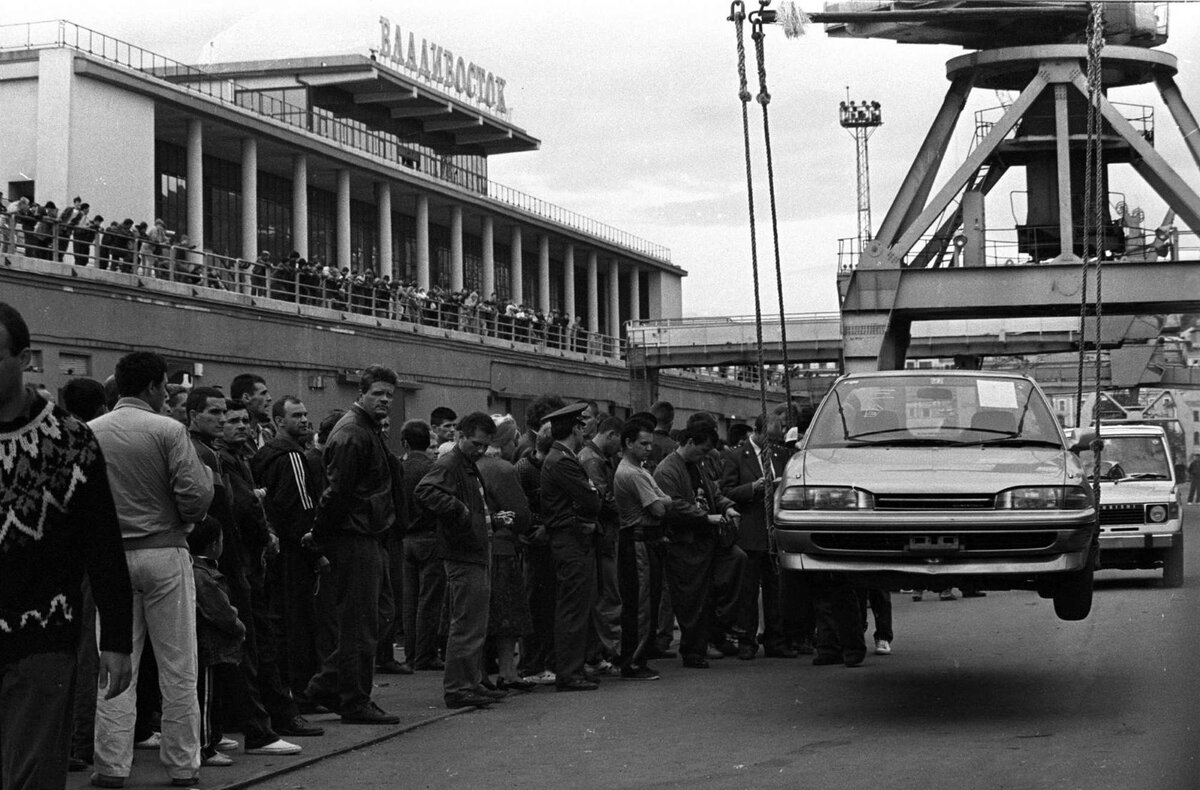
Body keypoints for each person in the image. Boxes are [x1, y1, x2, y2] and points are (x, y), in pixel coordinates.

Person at [0, 303, 133, 790]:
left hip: (41, 638)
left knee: (31, 776)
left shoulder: (70, 441)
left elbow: (103, 543)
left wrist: (116, 639)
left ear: (24, 358)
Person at [90, 351, 214, 787]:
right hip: (164, 551)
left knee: (114, 662)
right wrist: (188, 515)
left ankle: (110, 765)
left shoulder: (90, 432)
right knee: (178, 665)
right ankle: (183, 765)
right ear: (152, 387)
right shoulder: (168, 430)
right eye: (165, 386)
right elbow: (195, 496)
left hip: (110, 559)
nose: (166, 394)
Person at [303, 366, 402, 724]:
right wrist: (320, 535)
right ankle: (353, 699)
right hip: (355, 537)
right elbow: (336, 492)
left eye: (389, 395)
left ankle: (328, 687)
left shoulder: (364, 430)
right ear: (361, 393)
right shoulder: (353, 433)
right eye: (378, 393)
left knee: (373, 618)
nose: (385, 400)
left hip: (367, 535)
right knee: (361, 623)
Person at [415, 411, 502, 709]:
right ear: (459, 436)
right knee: (467, 623)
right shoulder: (451, 463)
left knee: (474, 623)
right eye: (476, 443)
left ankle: (471, 683)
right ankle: (458, 687)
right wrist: (460, 511)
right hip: (463, 552)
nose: (481, 450)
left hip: (473, 549)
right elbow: (425, 491)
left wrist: (488, 519)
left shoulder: (465, 463)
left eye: (485, 446)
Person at [653, 423, 745, 669]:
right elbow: (673, 506)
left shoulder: (697, 465)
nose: (705, 456)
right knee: (691, 599)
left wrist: (727, 507)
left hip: (706, 540)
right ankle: (693, 649)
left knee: (736, 560)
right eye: (703, 450)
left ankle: (713, 634)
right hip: (685, 543)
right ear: (690, 442)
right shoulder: (667, 470)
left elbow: (713, 492)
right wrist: (706, 517)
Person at [720, 413, 795, 660]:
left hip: (774, 532)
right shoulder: (736, 456)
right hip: (750, 531)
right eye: (769, 439)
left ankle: (776, 640)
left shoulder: (781, 455)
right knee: (748, 591)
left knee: (776, 590)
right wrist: (753, 488)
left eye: (775, 440)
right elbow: (726, 491)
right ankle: (747, 640)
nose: (773, 443)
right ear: (758, 432)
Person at [540, 402, 603, 691]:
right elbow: (591, 498)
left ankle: (572, 667)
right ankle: (569, 672)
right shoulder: (563, 460)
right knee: (573, 609)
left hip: (569, 538)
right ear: (576, 429)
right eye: (581, 425)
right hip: (571, 540)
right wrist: (593, 493)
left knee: (574, 607)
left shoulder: (559, 457)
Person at [476, 415, 535, 691]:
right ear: (505, 441)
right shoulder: (502, 468)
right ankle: (508, 671)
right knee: (507, 616)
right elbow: (520, 512)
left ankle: (479, 673)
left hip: (479, 548)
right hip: (502, 547)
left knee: (481, 615)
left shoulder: (473, 464)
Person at [612, 417, 671, 681]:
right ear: (628, 443)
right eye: (643, 444)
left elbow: (662, 501)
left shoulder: (639, 470)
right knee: (641, 603)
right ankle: (633, 661)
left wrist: (663, 500)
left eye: (650, 444)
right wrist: (664, 500)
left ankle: (636, 658)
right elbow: (659, 507)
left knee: (645, 600)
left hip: (643, 541)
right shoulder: (633, 473)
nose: (649, 448)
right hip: (638, 542)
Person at [187, 518, 245, 769]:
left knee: (208, 696)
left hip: (204, 644)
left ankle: (212, 738)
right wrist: (238, 623)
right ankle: (205, 747)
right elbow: (220, 612)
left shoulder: (195, 568)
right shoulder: (205, 575)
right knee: (207, 697)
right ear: (213, 545)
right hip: (210, 646)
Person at [398, 420, 445, 672]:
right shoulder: (433, 468)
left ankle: (411, 652)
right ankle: (425, 653)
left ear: (405, 443)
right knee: (429, 599)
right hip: (430, 536)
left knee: (410, 599)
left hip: (406, 538)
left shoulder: (399, 469)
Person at [578, 414, 624, 675]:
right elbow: (604, 499)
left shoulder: (594, 457)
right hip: (603, 536)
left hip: (601, 536)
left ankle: (598, 653)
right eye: (619, 442)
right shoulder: (593, 460)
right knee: (607, 597)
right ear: (611, 435)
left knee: (603, 597)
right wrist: (627, 510)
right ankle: (609, 652)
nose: (620, 449)